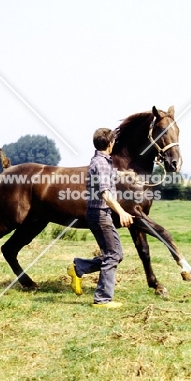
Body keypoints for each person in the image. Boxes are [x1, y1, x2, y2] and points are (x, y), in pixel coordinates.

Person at [67, 128, 134, 308]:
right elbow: (105, 193)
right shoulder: (102, 163)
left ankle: (79, 267)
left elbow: (107, 176)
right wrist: (122, 212)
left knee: (116, 254)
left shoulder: (99, 161)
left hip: (97, 214)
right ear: (111, 144)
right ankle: (102, 299)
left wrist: (125, 175)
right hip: (100, 215)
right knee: (113, 255)